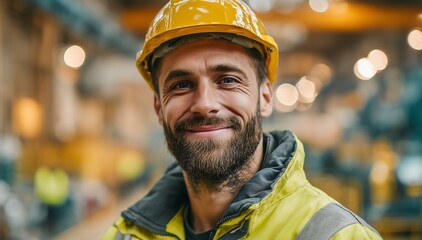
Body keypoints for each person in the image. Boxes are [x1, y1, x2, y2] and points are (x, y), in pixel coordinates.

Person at [103, 0, 382, 239]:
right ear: (158, 107)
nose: (204, 104)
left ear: (265, 99)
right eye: (181, 85)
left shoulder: (337, 235)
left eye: (227, 80)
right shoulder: (127, 234)